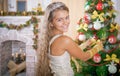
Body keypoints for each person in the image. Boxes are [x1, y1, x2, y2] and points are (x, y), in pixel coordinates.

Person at [36, 2, 103, 76]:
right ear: (51, 23)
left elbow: (68, 52)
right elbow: (84, 57)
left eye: (67, 17)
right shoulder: (64, 40)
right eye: (59, 20)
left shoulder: (51, 39)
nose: (65, 22)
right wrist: (97, 48)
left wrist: (85, 45)